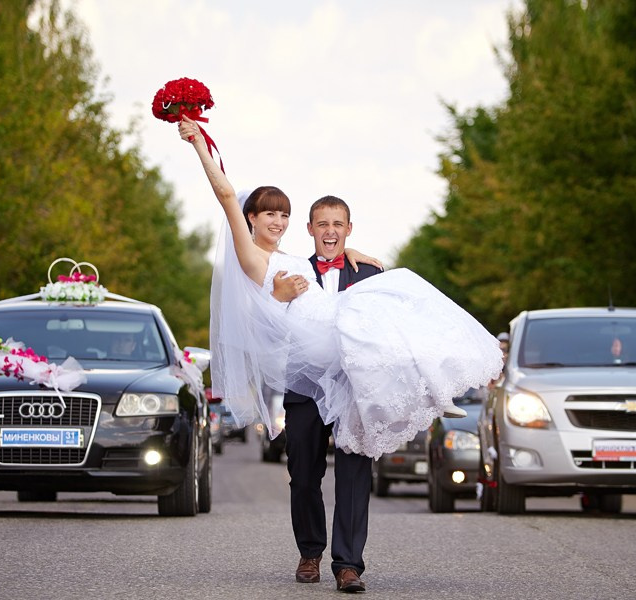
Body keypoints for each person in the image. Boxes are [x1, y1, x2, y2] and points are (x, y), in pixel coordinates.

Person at [180, 117, 501, 593]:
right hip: (305, 380)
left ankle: (348, 563)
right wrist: (200, 144)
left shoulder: (344, 265)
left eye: (282, 214)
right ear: (254, 220)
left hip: (354, 381)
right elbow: (228, 197)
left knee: (354, 470)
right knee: (303, 475)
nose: (277, 221)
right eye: (270, 214)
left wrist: (366, 258)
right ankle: (310, 552)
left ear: (343, 229)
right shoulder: (261, 263)